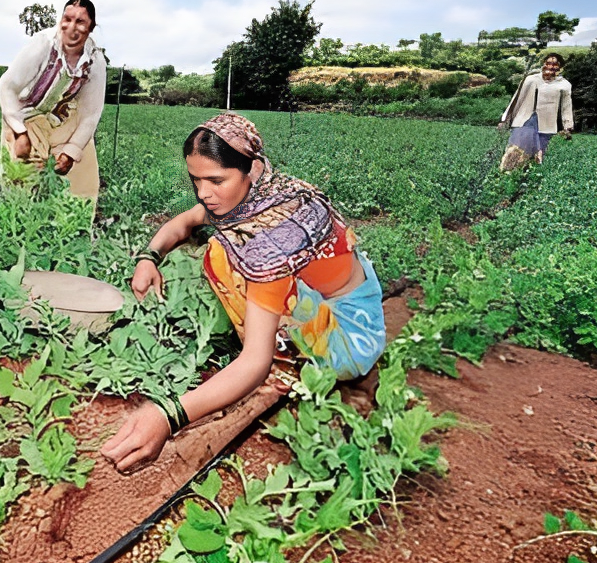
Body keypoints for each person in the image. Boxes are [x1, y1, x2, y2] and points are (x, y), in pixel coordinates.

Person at [101, 113, 386, 473]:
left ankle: (298, 369)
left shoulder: (274, 236)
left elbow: (254, 362)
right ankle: (287, 346)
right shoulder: (259, 194)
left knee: (224, 256)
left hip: (349, 336)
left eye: (216, 180)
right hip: (335, 301)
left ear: (251, 170)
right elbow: (186, 222)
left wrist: (169, 416)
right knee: (224, 250)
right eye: (196, 180)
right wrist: (148, 258)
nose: (204, 193)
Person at [0, 0, 107, 201]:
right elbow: (7, 86)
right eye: (67, 19)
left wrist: (71, 152)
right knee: (21, 175)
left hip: (61, 117)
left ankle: (76, 223)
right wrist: (19, 132)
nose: (71, 27)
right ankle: (19, 218)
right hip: (26, 114)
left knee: (83, 172)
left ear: (91, 28)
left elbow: (90, 114)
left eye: (80, 22)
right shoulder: (44, 44)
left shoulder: (95, 61)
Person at [498, 52, 574, 170]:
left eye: (555, 64)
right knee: (516, 150)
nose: (551, 67)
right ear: (544, 64)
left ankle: (527, 180)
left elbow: (566, 107)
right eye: (548, 63)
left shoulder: (564, 85)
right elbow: (517, 98)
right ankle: (506, 174)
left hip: (546, 125)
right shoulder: (531, 79)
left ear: (560, 67)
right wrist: (505, 119)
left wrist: (567, 126)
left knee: (537, 156)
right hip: (525, 121)